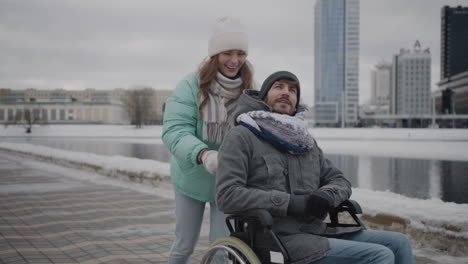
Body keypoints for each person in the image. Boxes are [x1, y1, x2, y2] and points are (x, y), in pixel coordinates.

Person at [216, 71, 413, 264]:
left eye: (293, 90)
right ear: (263, 96)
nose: (286, 92)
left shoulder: (306, 143)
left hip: (317, 231)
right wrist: (289, 202)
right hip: (276, 237)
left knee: (400, 243)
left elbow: (340, 181)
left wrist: (327, 195)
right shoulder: (242, 136)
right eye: (279, 87)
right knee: (379, 256)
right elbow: (227, 195)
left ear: (296, 103)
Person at [162, 17, 254, 264]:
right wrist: (204, 154)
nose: (235, 61)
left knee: (222, 249)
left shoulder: (249, 89)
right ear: (215, 54)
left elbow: (255, 133)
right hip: (191, 175)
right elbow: (174, 131)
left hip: (228, 181)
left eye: (241, 53)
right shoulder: (190, 86)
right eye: (227, 53)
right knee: (184, 245)